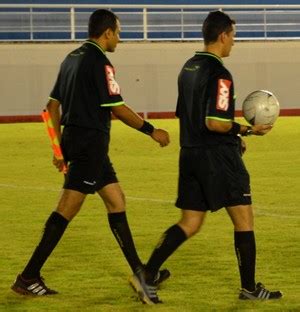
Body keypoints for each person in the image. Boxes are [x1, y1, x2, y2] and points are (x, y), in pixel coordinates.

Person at [11, 9, 170, 297]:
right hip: (89, 146)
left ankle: (143, 273)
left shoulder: (70, 59)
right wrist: (151, 130)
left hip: (81, 144)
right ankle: (28, 276)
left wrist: (58, 148)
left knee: (116, 201)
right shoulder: (100, 62)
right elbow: (118, 108)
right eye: (118, 33)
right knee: (66, 209)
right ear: (107, 32)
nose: (119, 39)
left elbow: (51, 107)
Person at [129, 10, 282, 304]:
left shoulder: (188, 67)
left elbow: (189, 115)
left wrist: (231, 136)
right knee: (244, 219)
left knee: (189, 222)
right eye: (233, 37)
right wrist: (246, 131)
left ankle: (145, 275)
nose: (233, 43)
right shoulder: (220, 74)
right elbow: (214, 122)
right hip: (218, 159)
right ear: (223, 35)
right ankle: (249, 288)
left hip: (189, 154)